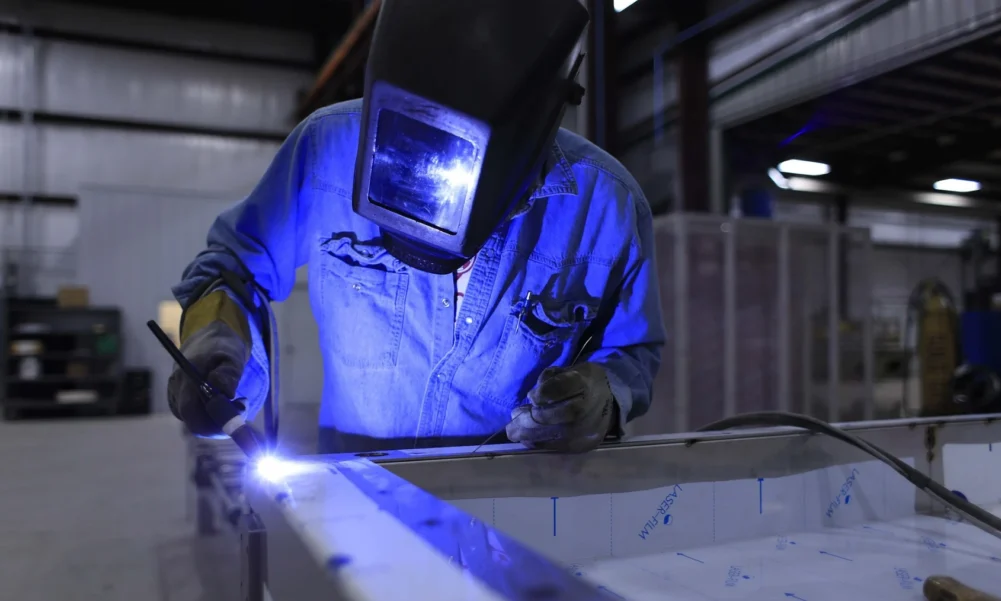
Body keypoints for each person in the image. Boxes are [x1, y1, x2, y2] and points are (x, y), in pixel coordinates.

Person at [167, 0, 665, 455]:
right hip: (360, 502)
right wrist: (218, 339)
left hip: (508, 506)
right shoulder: (328, 150)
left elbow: (633, 352)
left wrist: (603, 398)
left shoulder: (606, 206)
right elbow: (234, 269)